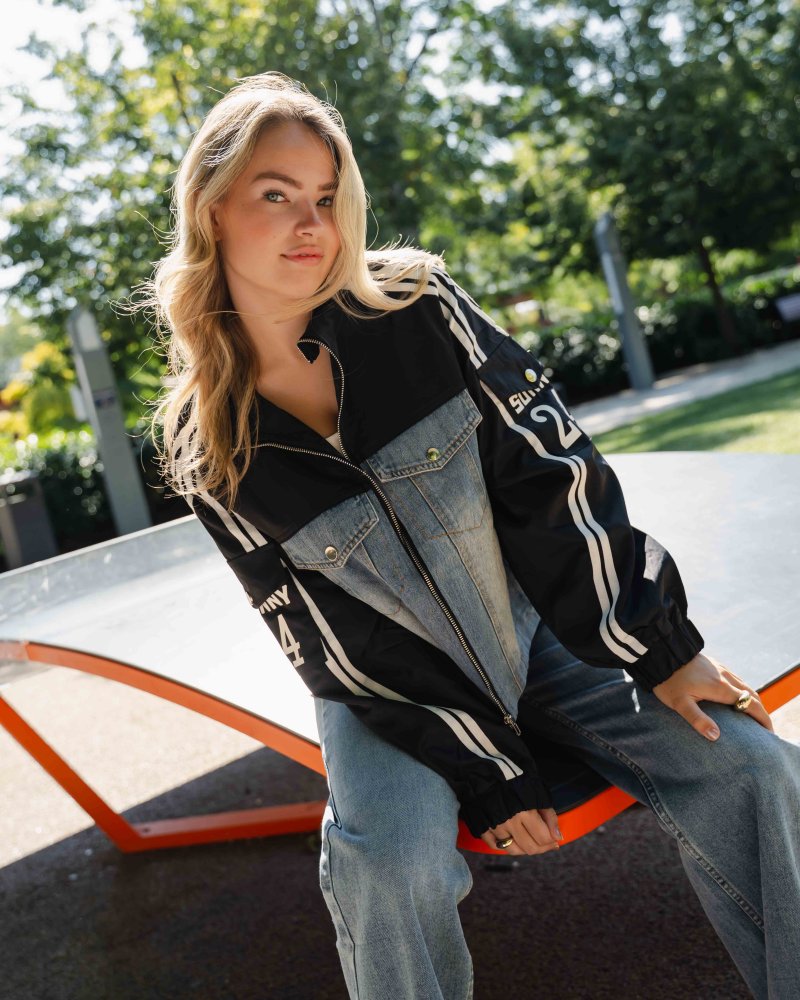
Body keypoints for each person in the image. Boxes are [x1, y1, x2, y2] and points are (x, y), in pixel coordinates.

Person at [143, 71, 800, 999]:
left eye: (327, 197)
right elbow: (333, 641)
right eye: (277, 196)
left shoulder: (417, 306)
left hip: (539, 635)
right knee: (391, 866)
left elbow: (552, 474)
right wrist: (484, 765)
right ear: (213, 210)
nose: (312, 225)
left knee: (750, 766)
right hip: (387, 690)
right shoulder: (207, 443)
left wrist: (656, 645)